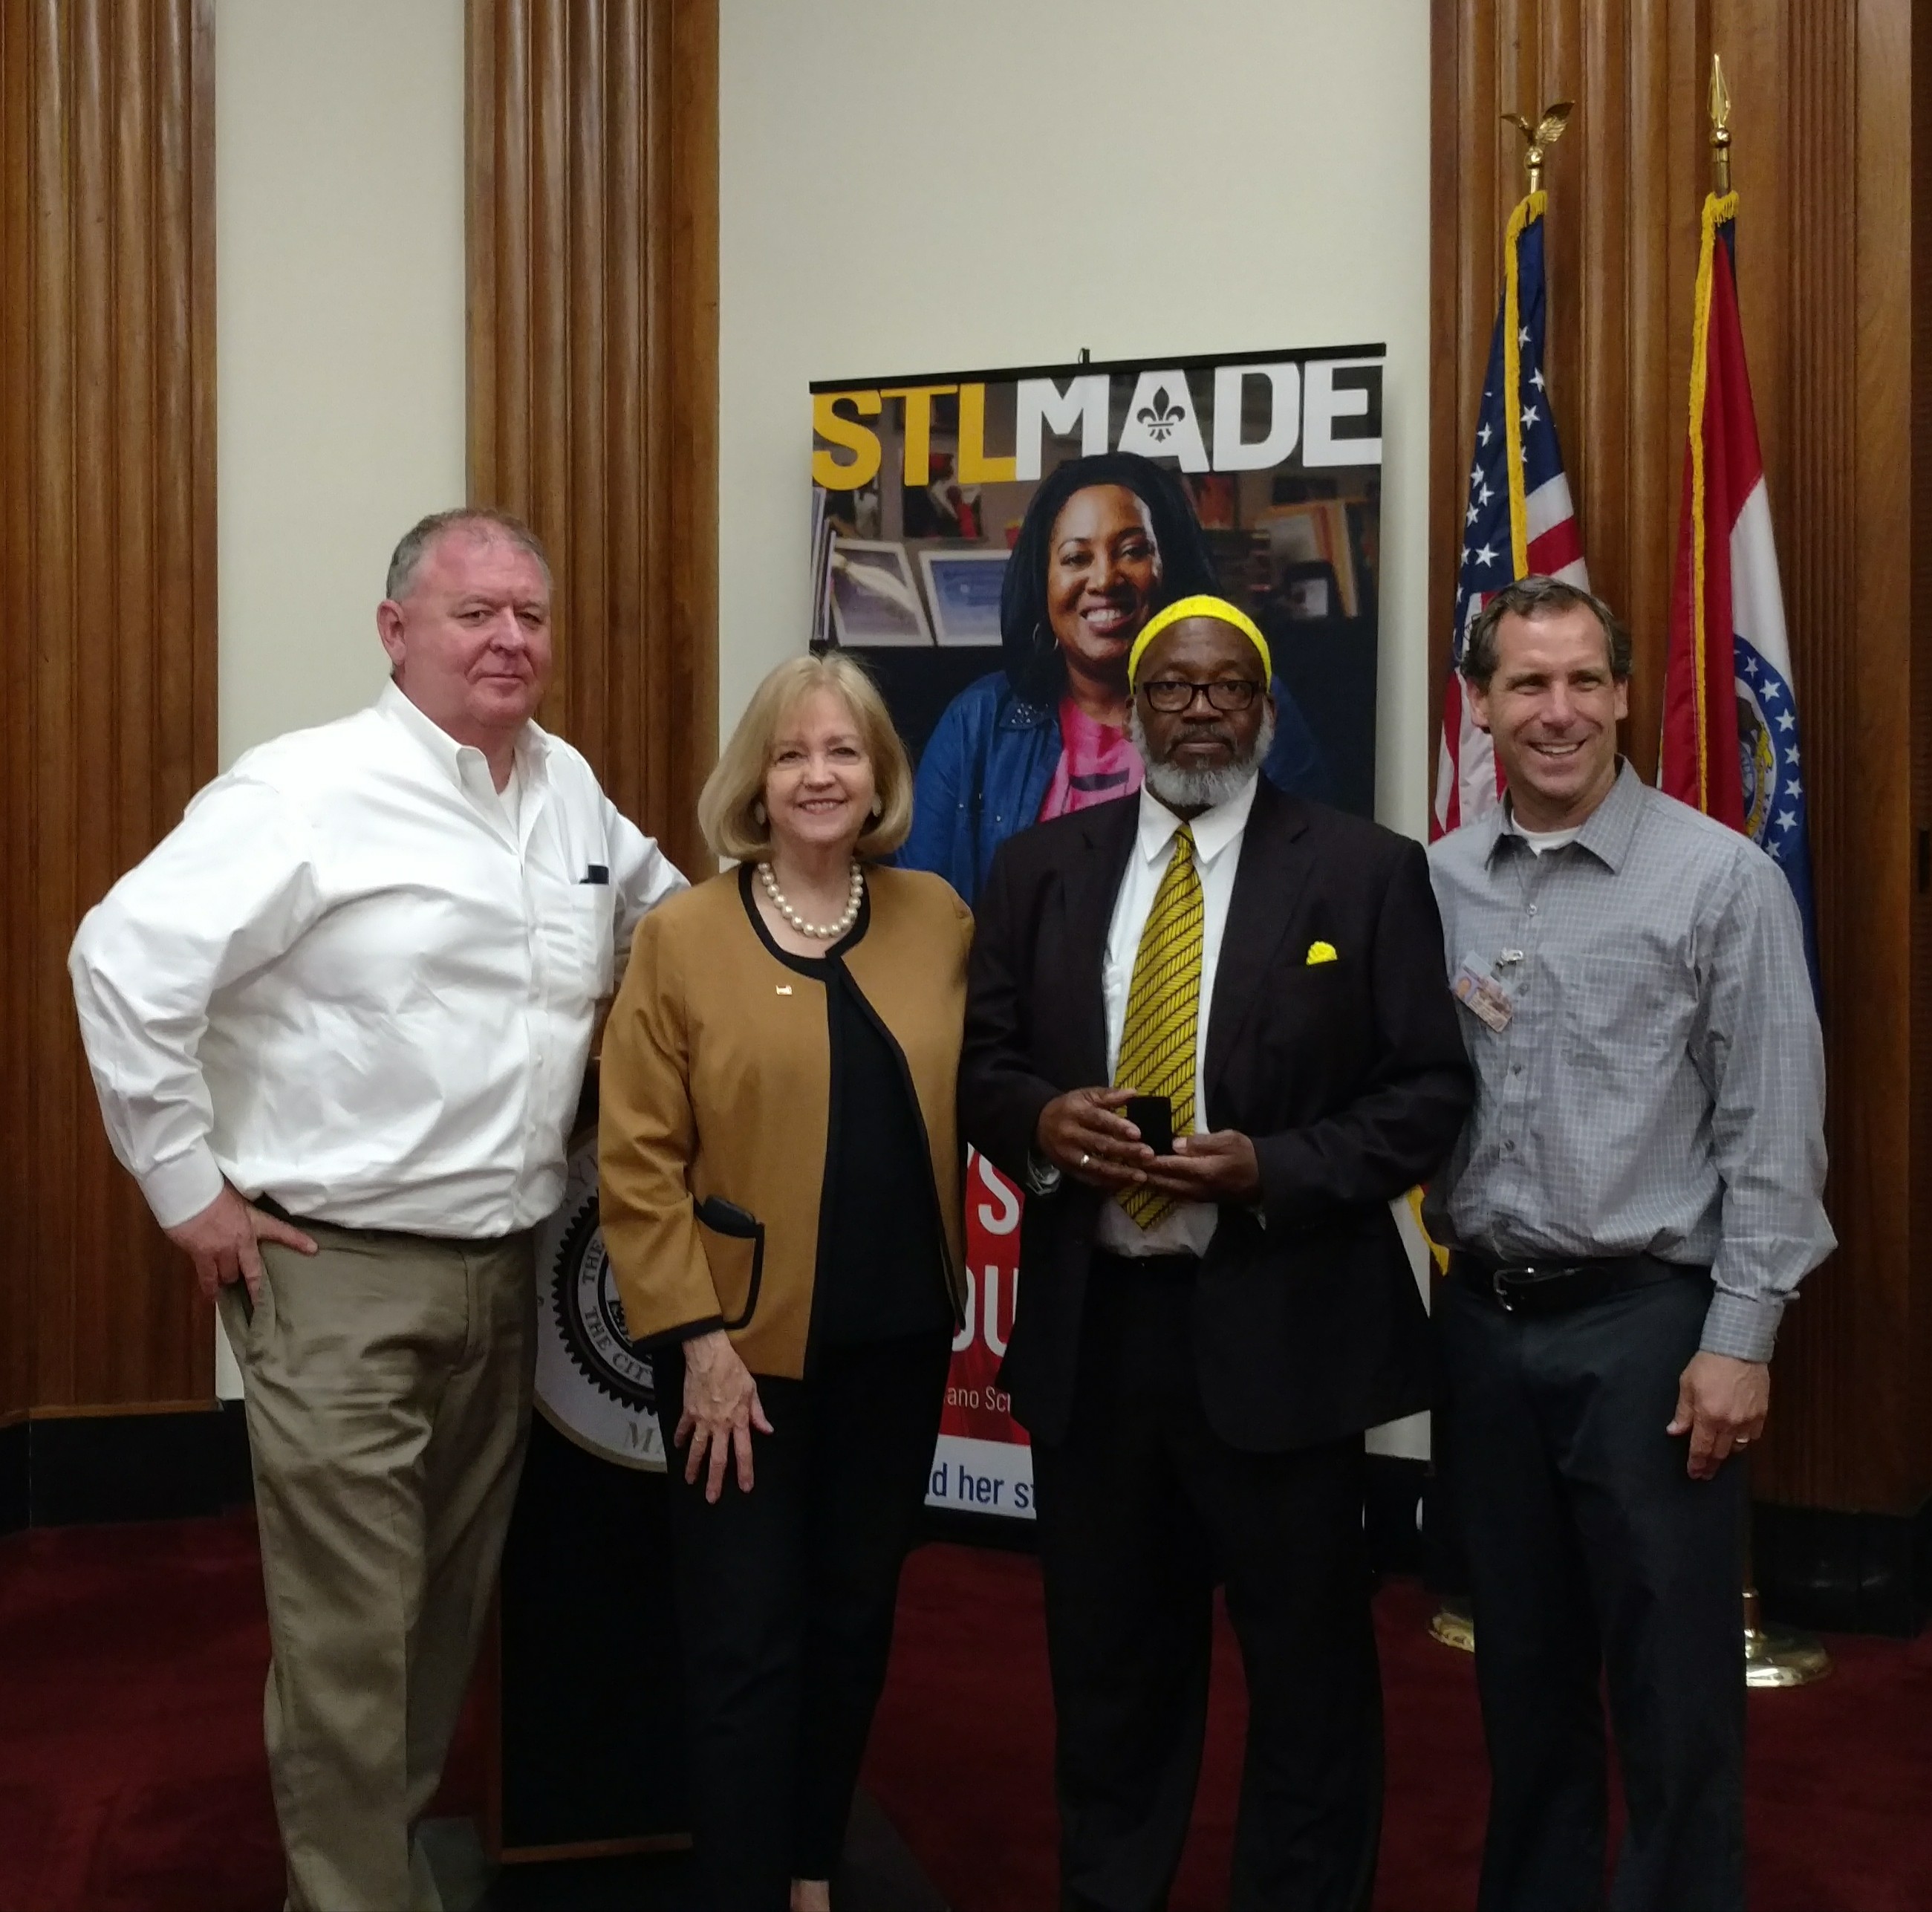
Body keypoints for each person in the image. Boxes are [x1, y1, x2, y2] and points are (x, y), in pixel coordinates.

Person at [68, 508, 686, 1912]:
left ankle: (354, 1879)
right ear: (395, 628)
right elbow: (120, 960)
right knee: (350, 1635)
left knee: (436, 1626)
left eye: (531, 612)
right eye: (475, 612)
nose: (511, 637)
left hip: (505, 1268)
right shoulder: (304, 790)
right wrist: (187, 1191)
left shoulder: (570, 789)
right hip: (335, 1272)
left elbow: (672, 922)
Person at [960, 594, 1473, 1912]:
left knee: (1307, 1675)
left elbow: (1425, 1089)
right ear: (1132, 710)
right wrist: (1040, 1118)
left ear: (1261, 705)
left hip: (1282, 1328)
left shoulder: (1362, 870)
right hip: (1099, 1332)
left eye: (1226, 686)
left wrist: (1274, 1169)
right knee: (1110, 1667)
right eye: (1172, 687)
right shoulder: (1037, 867)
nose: (1198, 706)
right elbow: (986, 1066)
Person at [1424, 575, 1834, 1912]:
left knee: (1672, 1688)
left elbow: (1775, 1129)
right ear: (1480, 704)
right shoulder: (1430, 883)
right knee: (1521, 1675)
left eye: (1584, 680)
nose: (1559, 711)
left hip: (1650, 1332)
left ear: (1619, 694)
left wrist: (1740, 1339)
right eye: (1527, 683)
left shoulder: (1720, 879)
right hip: (1481, 1327)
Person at [596, 652, 971, 1912]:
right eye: (793, 752)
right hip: (734, 1358)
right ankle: (743, 1883)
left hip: (899, 1340)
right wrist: (695, 1338)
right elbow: (636, 1157)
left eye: (845, 751)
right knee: (745, 1642)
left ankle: (814, 1865)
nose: (820, 774)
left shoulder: (940, 922)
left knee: (855, 1618)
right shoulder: (683, 935)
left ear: (880, 776)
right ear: (756, 779)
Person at [899, 449, 1330, 903]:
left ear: (1170, 569)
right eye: (1075, 558)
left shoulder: (1243, 704)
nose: (1105, 579)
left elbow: (1314, 894)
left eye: (1133, 551)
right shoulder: (978, 724)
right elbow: (921, 917)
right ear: (1042, 581)